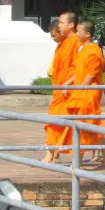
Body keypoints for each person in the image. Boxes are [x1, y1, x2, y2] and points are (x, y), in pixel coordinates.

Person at [66, 21, 105, 168]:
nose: (76, 34)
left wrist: (82, 87)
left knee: (83, 124)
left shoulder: (94, 49)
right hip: (79, 92)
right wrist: (67, 84)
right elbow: (77, 71)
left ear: (87, 34)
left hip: (88, 93)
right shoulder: (81, 49)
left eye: (78, 31)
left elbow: (91, 73)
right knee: (86, 125)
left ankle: (78, 163)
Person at [42, 11, 80, 163]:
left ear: (71, 25)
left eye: (62, 22)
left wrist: (68, 84)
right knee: (54, 122)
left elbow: (79, 68)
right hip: (59, 92)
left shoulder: (77, 43)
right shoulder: (61, 45)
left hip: (70, 92)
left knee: (64, 123)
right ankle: (53, 152)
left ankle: (52, 153)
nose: (60, 25)